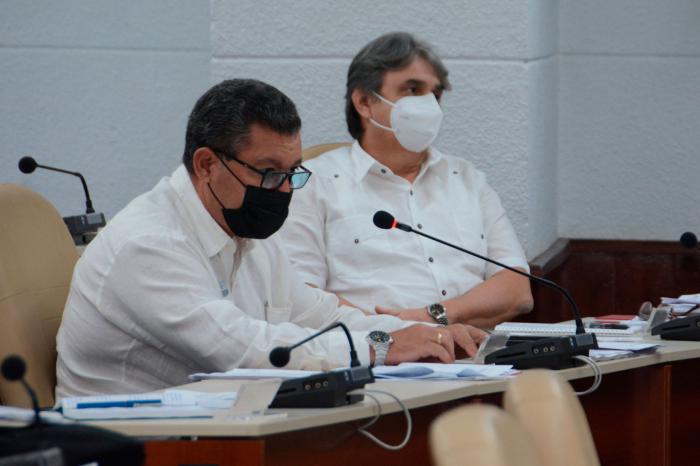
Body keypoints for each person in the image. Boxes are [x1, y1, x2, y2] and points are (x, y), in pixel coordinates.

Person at [55, 79, 486, 398]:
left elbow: (321, 315)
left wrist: (425, 334)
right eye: (268, 172)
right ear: (207, 165)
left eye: (291, 172)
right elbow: (244, 351)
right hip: (127, 444)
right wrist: (383, 346)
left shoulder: (247, 232)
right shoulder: (148, 244)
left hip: (216, 431)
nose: (282, 190)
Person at [278, 32, 533, 329]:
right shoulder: (314, 183)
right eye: (412, 90)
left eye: (435, 94)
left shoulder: (467, 179)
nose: (429, 105)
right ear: (364, 101)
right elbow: (303, 295)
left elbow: (517, 289)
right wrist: (398, 333)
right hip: (373, 350)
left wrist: (436, 316)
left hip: (475, 348)